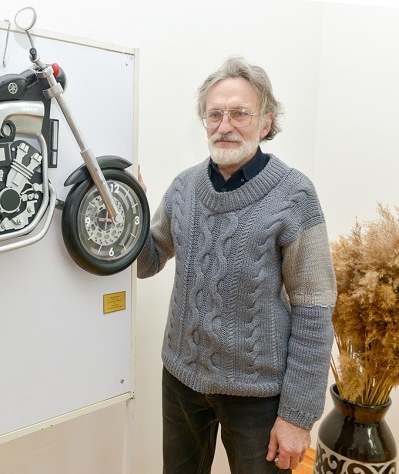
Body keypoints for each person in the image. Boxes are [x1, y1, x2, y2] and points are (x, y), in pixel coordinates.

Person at [137, 56, 337, 473]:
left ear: (265, 123)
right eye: (215, 114)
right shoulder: (183, 187)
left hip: (257, 397)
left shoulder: (296, 195)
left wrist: (297, 416)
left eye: (240, 113)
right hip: (181, 380)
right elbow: (148, 262)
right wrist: (130, 215)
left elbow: (314, 308)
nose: (224, 125)